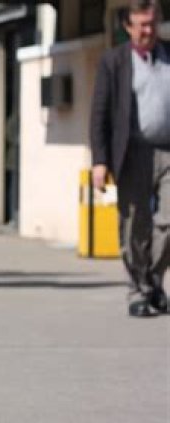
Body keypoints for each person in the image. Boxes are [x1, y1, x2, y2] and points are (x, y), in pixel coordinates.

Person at [90, 0, 169, 316]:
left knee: (168, 223)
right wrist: (100, 160)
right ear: (128, 26)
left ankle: (153, 279)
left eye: (152, 23)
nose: (148, 31)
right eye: (141, 25)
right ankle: (138, 289)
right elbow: (99, 114)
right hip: (132, 152)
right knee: (134, 223)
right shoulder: (114, 62)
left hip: (168, 151)